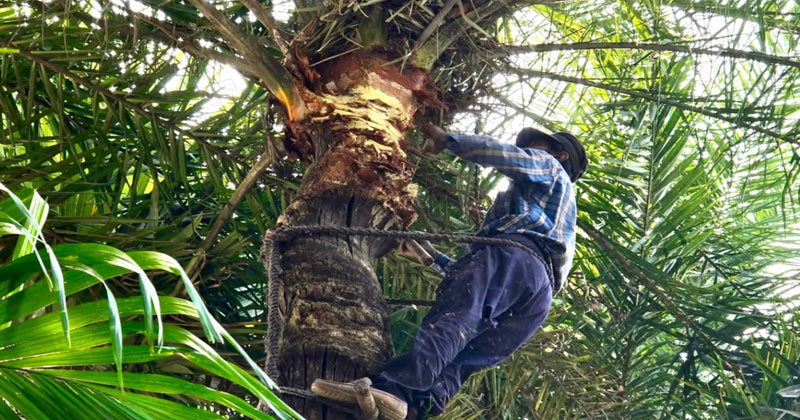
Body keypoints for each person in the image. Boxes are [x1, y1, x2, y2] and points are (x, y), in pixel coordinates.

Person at [311, 124, 588, 420]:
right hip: (537, 298)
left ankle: (394, 390)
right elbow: (492, 279)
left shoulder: (550, 167)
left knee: (453, 321)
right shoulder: (559, 217)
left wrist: (448, 140)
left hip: (515, 254)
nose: (531, 151)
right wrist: (430, 256)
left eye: (539, 147)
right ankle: (414, 410)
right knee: (464, 360)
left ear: (561, 155)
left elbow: (506, 157)